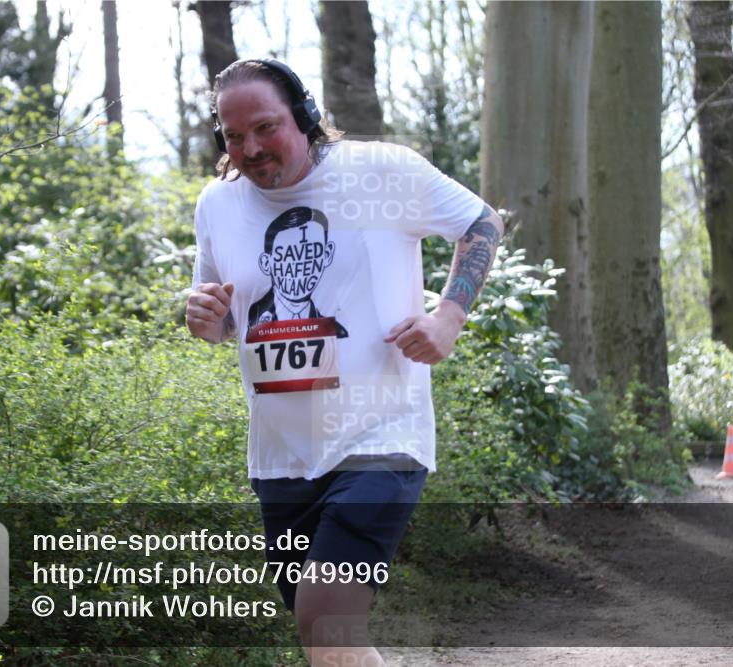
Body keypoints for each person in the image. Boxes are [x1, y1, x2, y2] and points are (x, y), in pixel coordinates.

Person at [187, 58, 504, 666]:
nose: (250, 148)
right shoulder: (217, 205)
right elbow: (225, 315)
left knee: (324, 614)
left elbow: (481, 222)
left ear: (305, 117)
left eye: (265, 127)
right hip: (282, 456)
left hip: (380, 435)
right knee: (324, 636)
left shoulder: (380, 171)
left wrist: (449, 316)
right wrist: (206, 319)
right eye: (233, 136)